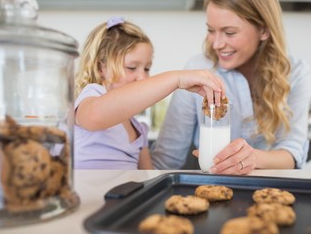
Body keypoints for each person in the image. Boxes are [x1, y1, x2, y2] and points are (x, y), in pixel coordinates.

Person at [151, 0, 311, 174]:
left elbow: (292, 153)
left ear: (264, 30)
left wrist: (252, 157)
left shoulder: (295, 72)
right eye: (211, 30)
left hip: (272, 191)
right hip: (215, 186)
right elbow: (166, 158)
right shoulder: (197, 70)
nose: (217, 44)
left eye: (229, 32)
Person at [74, 17, 225, 170]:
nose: (143, 77)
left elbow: (149, 178)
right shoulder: (92, 95)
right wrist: (177, 78)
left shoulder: (137, 128)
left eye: (147, 69)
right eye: (132, 68)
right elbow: (94, 116)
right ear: (101, 68)